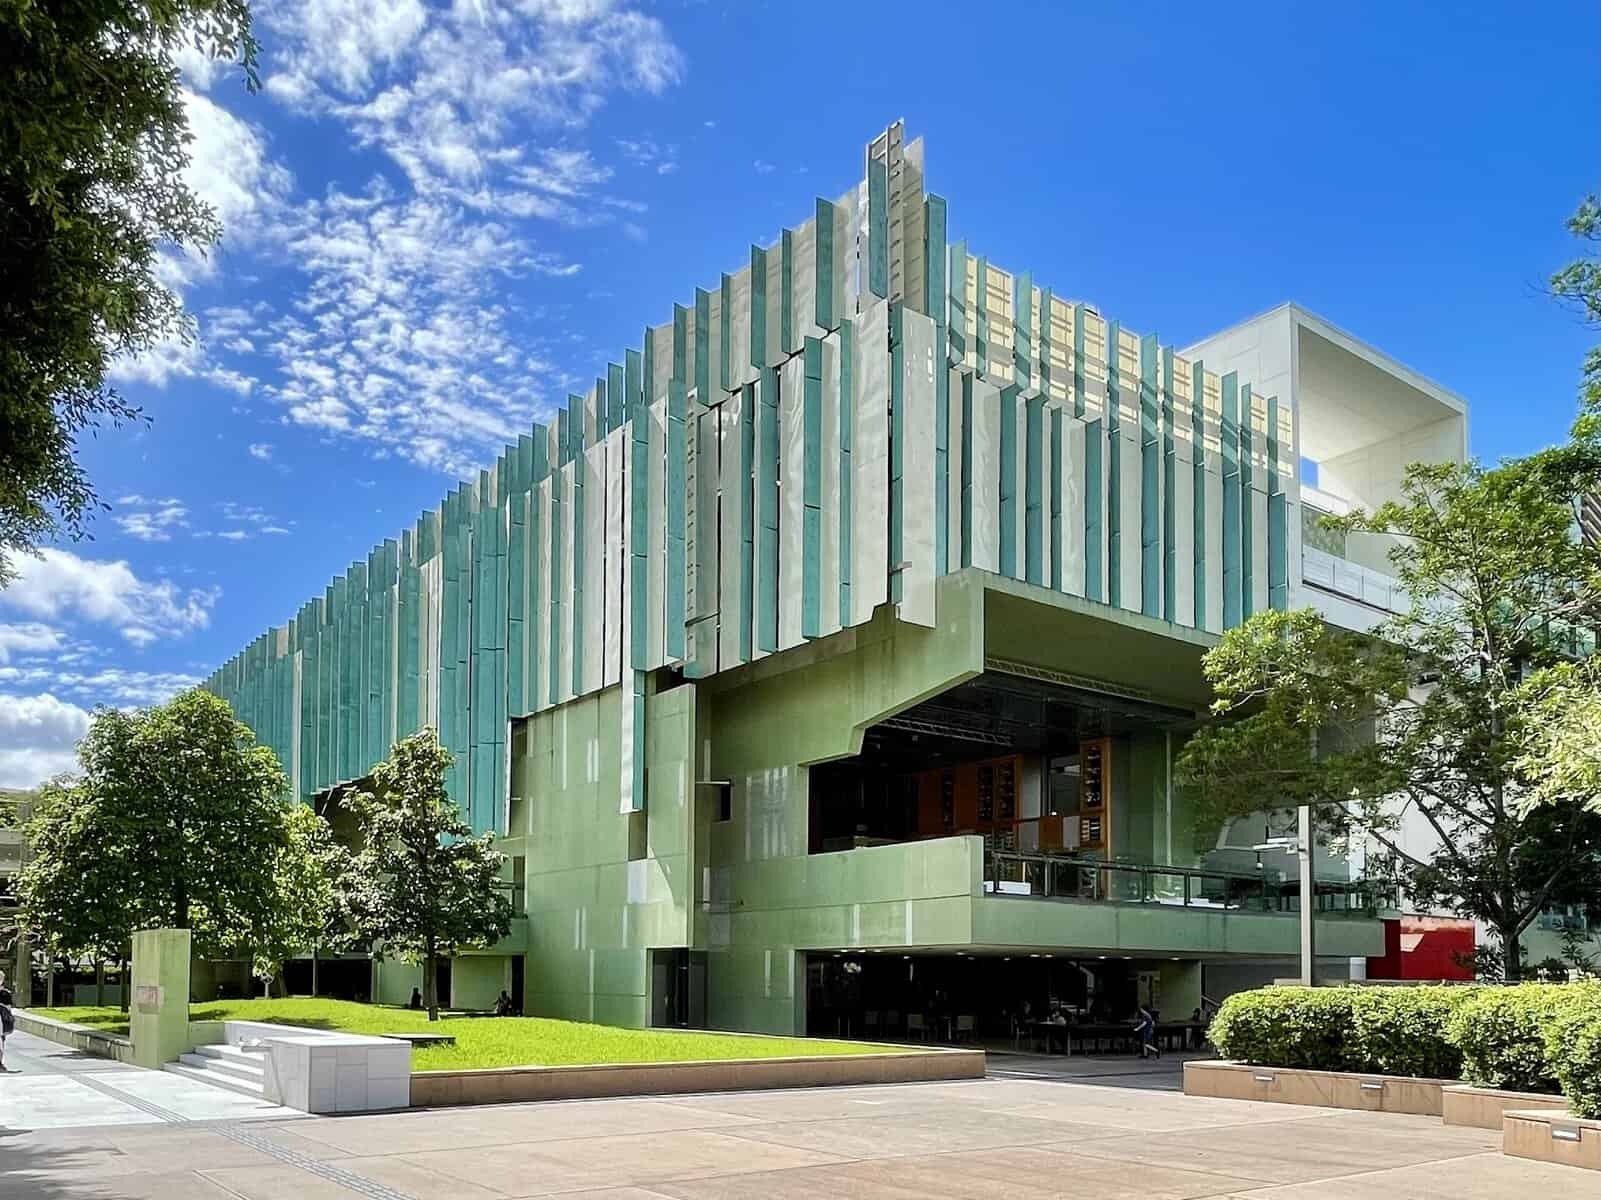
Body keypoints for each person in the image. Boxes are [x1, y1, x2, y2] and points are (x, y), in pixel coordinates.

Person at [0, 980, 14, 1073]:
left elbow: (8, 1008)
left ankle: (0, 1063)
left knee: (1, 1041)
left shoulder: (5, 994)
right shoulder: (5, 993)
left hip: (1, 1021)